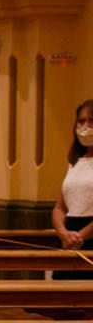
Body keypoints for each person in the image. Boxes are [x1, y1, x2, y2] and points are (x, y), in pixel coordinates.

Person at [53, 99, 93, 250]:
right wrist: (64, 233)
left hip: (85, 237)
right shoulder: (74, 161)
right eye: (81, 121)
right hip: (70, 238)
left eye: (91, 121)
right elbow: (59, 208)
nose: (85, 126)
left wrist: (79, 237)